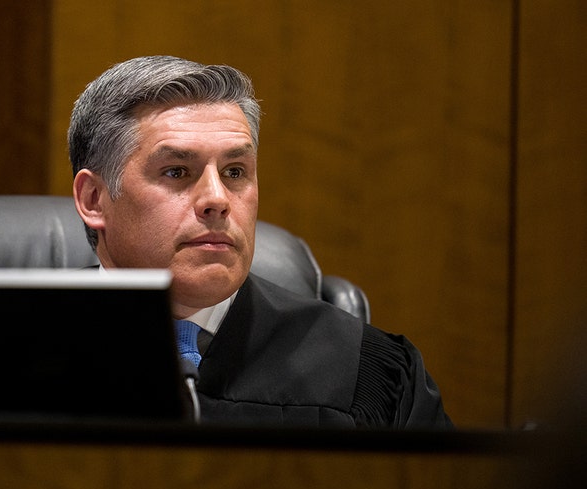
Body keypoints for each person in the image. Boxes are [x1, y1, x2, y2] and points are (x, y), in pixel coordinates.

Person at [68, 55, 451, 428]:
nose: (217, 199)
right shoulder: (16, 352)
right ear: (94, 199)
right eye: (177, 171)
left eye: (235, 171)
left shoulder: (364, 369)